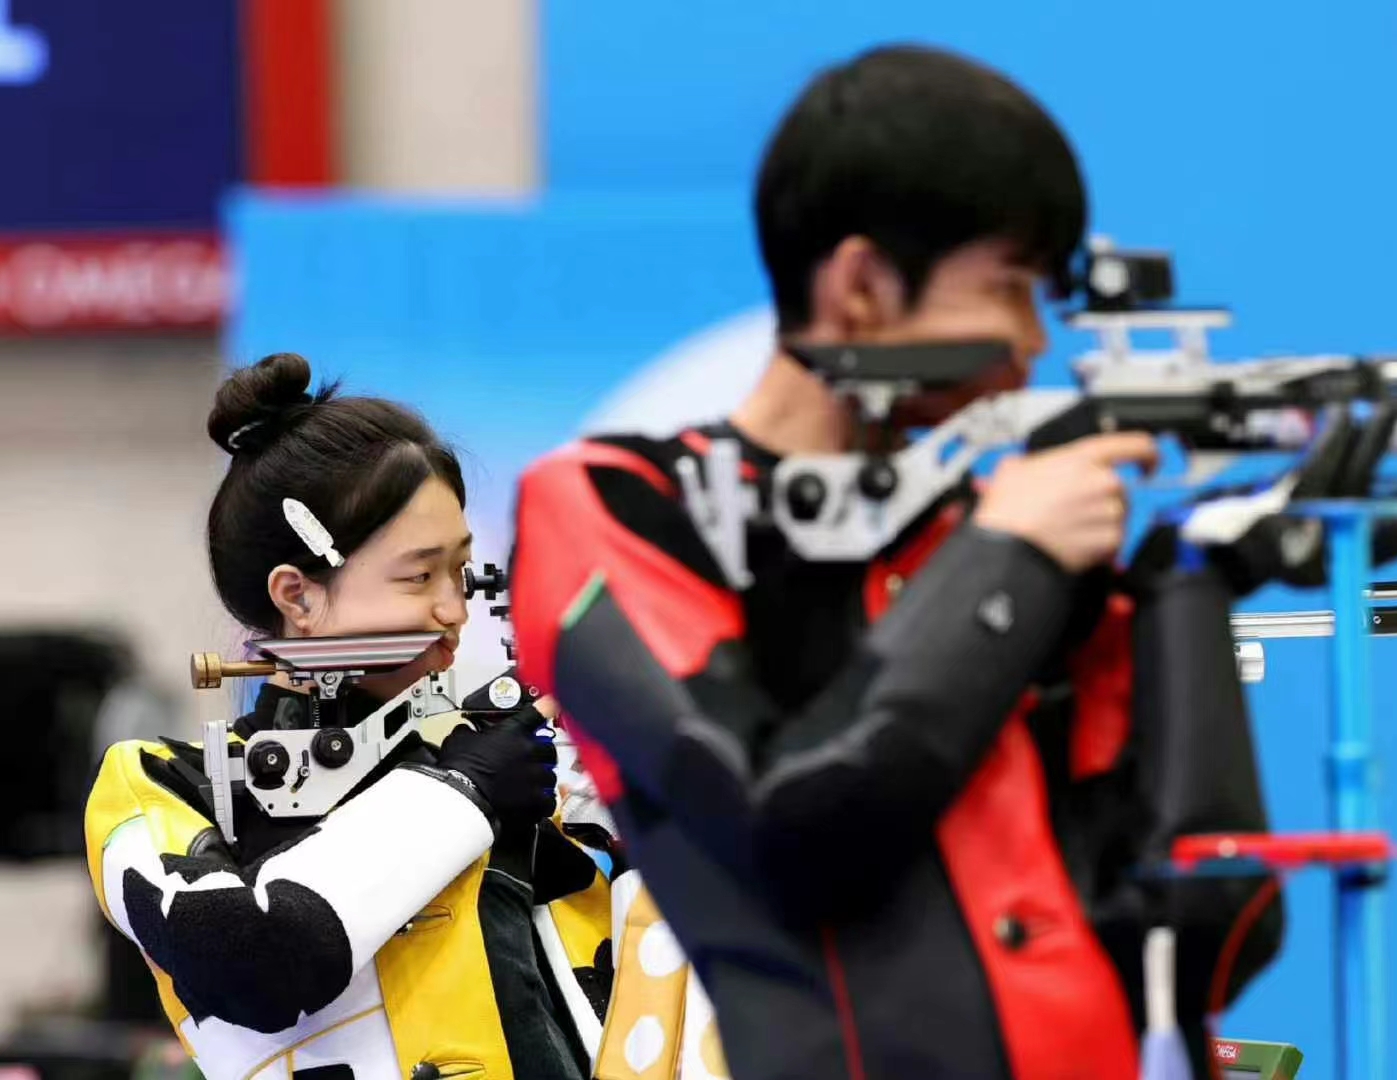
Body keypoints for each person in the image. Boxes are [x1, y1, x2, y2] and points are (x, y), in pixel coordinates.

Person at [509, 46, 1299, 1080]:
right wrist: (1006, 557)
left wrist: (1185, 587)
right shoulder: (616, 505)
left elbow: (1212, 931)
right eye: (1007, 289)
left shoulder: (991, 541)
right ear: (862, 285)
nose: (1030, 343)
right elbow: (788, 832)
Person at [84, 353, 609, 1080]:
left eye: (460, 573)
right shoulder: (156, 785)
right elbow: (253, 958)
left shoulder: (508, 758)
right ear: (297, 596)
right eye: (418, 576)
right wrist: (463, 796)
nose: (454, 610)